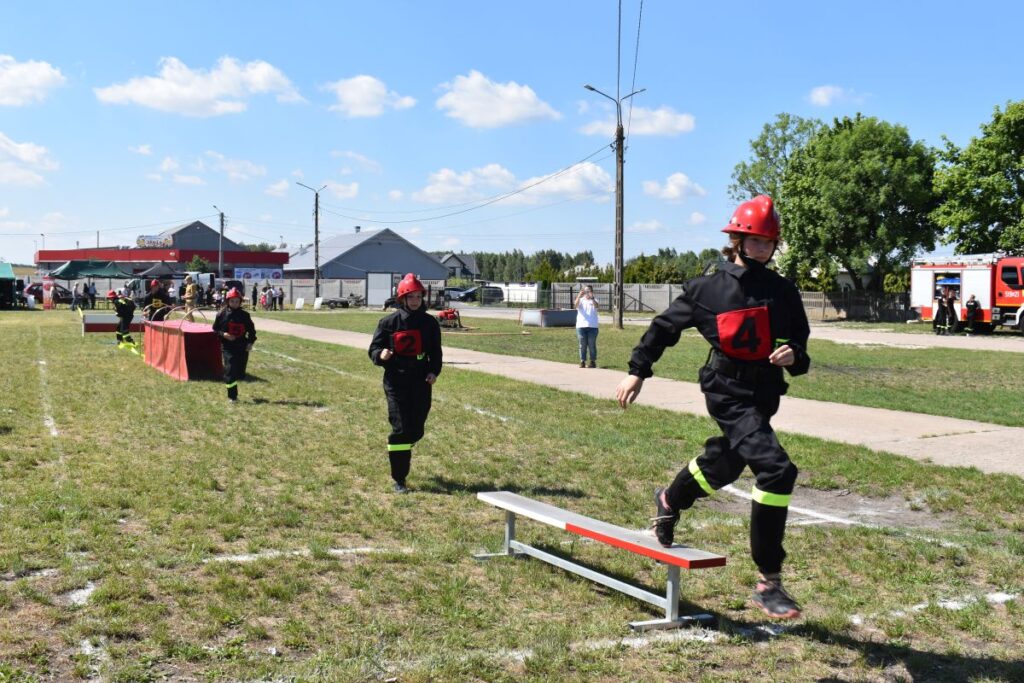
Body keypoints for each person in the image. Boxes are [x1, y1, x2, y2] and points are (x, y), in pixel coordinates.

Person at [615, 195, 810, 620]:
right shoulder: (708, 288)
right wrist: (637, 371)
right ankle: (769, 581)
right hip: (725, 390)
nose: (762, 248)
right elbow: (663, 328)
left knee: (725, 464)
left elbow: (799, 340)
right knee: (776, 469)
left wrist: (794, 353)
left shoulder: (783, 291)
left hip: (764, 393)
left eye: (768, 242)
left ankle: (670, 497)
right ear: (737, 239)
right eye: (754, 240)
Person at [368, 273, 442, 493]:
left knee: (416, 429)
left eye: (418, 296)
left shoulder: (430, 323)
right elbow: (373, 348)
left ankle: (400, 450)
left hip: (420, 381)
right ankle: (399, 478)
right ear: (402, 298)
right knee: (400, 429)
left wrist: (433, 372)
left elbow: (436, 352)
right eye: (410, 296)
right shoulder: (388, 322)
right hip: (396, 381)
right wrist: (380, 354)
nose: (415, 300)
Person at [212, 288, 257, 402]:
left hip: (242, 346)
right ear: (228, 301)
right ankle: (232, 396)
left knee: (239, 372)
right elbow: (215, 329)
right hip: (228, 347)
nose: (234, 303)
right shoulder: (221, 314)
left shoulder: (245, 315)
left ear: (240, 302)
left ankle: (233, 381)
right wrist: (224, 334)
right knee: (230, 370)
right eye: (232, 301)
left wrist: (250, 342)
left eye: (237, 301)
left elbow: (252, 331)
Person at [574, 285, 600, 368]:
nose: (587, 293)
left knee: (591, 345)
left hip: (593, 327)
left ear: (592, 292)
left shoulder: (595, 300)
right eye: (585, 291)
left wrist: (592, 298)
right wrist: (579, 295)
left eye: (588, 291)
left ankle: (592, 361)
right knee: (582, 344)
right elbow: (576, 305)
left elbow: (596, 306)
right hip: (581, 326)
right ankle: (582, 361)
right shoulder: (580, 300)